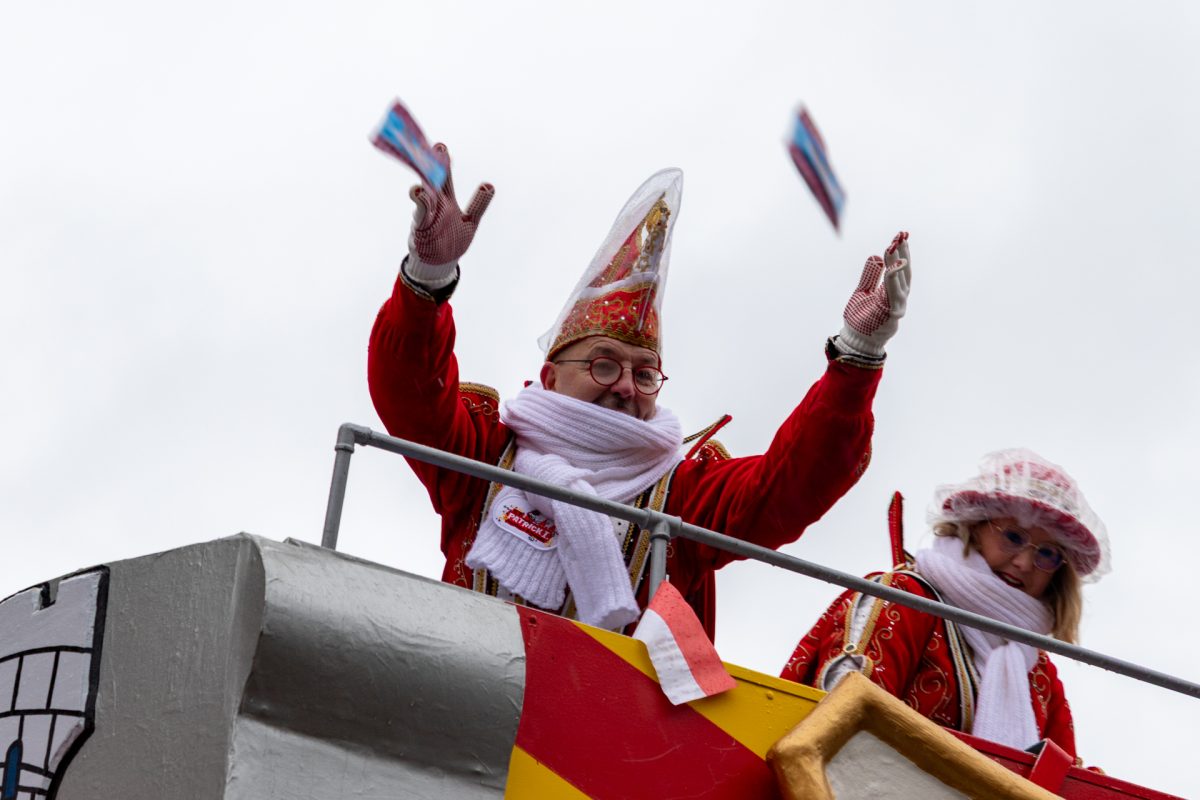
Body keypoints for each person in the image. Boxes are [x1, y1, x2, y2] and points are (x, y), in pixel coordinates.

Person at [368, 147, 912, 635]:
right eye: (605, 365)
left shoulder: (683, 492)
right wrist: (428, 278)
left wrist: (856, 359)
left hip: (606, 738)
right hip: (472, 709)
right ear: (552, 377)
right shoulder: (486, 452)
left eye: (645, 372)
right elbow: (409, 392)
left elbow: (792, 485)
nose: (627, 386)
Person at [780, 449, 1111, 760]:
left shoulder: (1039, 671)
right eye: (1013, 537)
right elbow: (843, 715)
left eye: (1048, 554)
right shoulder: (904, 597)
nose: (1025, 562)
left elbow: (1066, 779)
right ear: (974, 526)